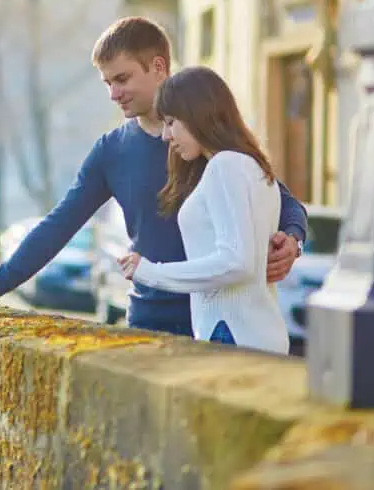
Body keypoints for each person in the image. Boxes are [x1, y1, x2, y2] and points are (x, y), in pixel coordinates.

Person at [0, 16, 307, 336]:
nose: (114, 93)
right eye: (107, 83)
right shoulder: (111, 152)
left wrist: (292, 237)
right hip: (150, 324)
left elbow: (281, 196)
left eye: (122, 79)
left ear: (159, 67)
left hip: (222, 325)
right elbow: (56, 226)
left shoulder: (206, 138)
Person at [117, 66, 289, 353]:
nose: (166, 136)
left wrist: (150, 272)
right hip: (253, 333)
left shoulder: (225, 166)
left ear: (199, 115)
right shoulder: (252, 166)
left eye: (172, 122)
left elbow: (237, 262)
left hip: (230, 334)